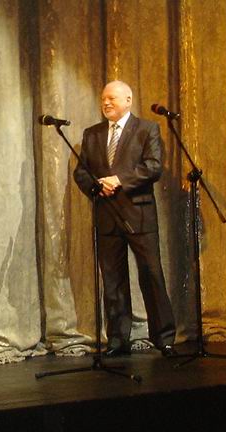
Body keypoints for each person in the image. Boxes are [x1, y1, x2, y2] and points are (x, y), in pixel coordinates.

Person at [73, 80, 177, 357]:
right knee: (113, 280)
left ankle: (164, 337)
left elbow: (153, 167)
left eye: (112, 98)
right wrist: (97, 186)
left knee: (151, 275)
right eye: (103, 99)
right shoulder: (92, 134)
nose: (106, 103)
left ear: (128, 100)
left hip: (138, 215)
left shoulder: (147, 129)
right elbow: (81, 172)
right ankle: (118, 340)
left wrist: (120, 180)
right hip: (107, 215)